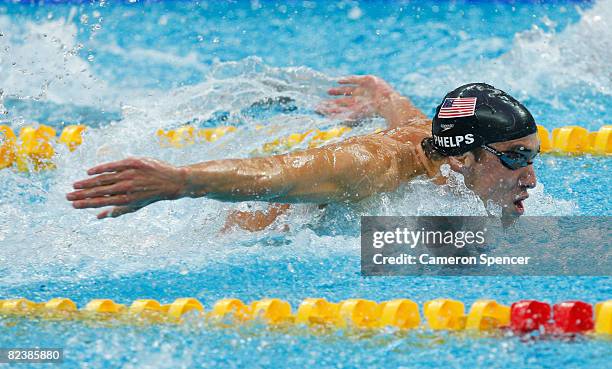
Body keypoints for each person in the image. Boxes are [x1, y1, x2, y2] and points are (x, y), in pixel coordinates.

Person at [66, 77, 539, 223]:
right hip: (245, 239)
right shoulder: (372, 166)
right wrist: (183, 182)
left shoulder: (437, 144)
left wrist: (382, 98)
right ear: (464, 156)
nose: (531, 178)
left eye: (533, 157)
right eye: (516, 157)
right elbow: (279, 171)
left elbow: (409, 116)